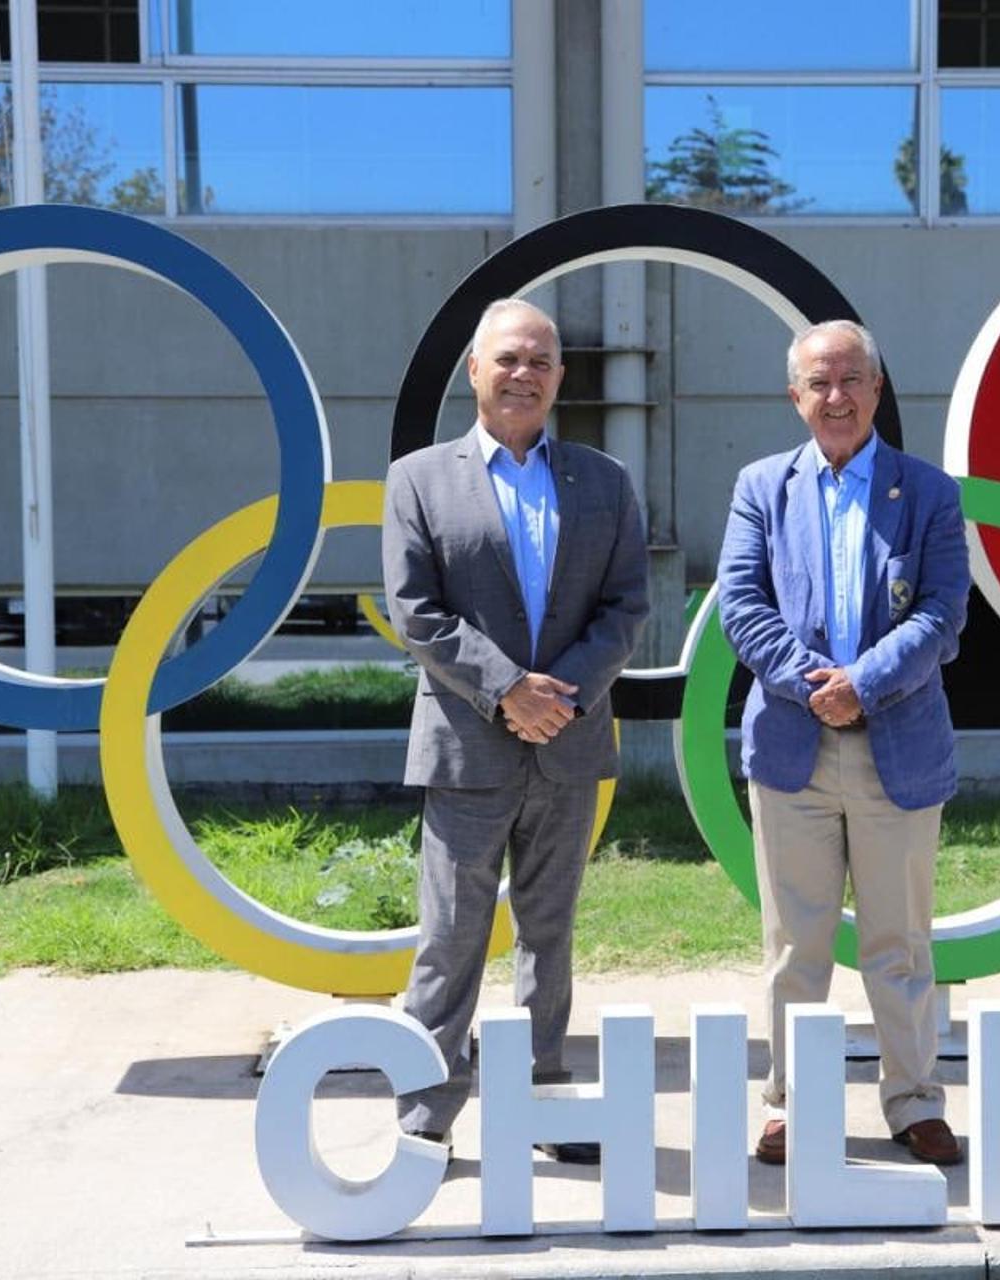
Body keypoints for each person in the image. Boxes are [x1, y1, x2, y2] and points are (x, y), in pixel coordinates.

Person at [382, 297, 650, 1161]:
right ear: (474, 369)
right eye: (508, 358)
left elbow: (625, 608)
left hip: (568, 745)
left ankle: (545, 1108)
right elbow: (415, 613)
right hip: (467, 749)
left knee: (551, 934)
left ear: (560, 376)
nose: (524, 373)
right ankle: (426, 1119)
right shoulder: (420, 479)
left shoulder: (606, 481)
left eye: (540, 360)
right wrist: (506, 692)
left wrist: (554, 695)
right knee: (450, 939)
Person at [716, 319, 970, 1167]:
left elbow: (942, 613)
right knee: (796, 945)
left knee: (900, 944)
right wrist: (813, 683)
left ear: (878, 388)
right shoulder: (760, 487)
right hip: (792, 750)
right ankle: (793, 1102)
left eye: (851, 379)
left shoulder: (929, 492)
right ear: (796, 396)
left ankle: (913, 1100)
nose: (836, 397)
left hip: (897, 748)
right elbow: (740, 605)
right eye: (818, 383)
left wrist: (863, 682)